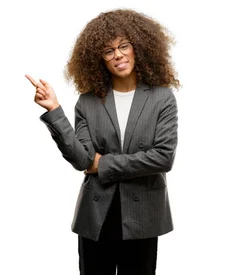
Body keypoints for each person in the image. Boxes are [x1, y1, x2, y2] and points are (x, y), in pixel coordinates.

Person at [26, 9, 179, 275]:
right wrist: (54, 110)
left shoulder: (161, 98)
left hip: (142, 217)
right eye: (108, 51)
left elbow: (163, 158)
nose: (118, 55)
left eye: (123, 46)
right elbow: (83, 160)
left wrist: (104, 164)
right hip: (96, 217)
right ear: (99, 59)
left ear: (138, 47)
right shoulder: (87, 101)